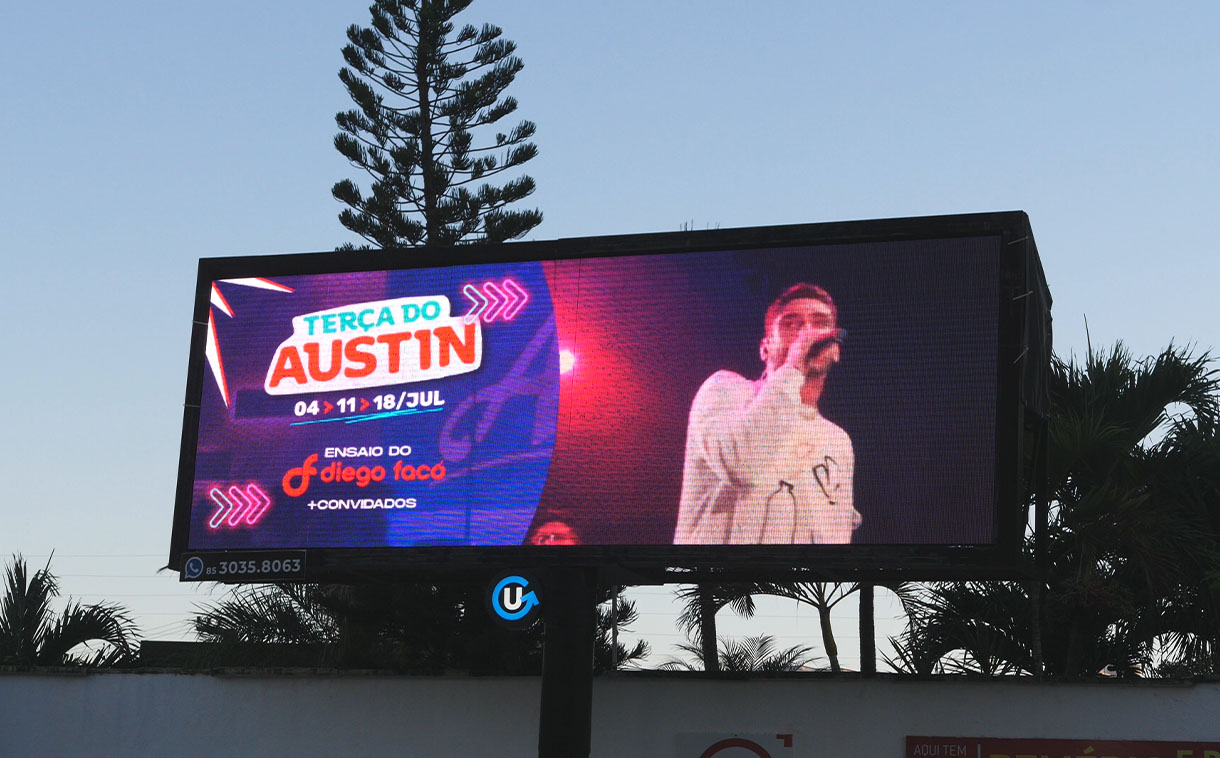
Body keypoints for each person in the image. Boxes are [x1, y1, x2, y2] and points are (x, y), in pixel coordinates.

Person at [673, 283, 860, 545]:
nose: (808, 333)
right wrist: (793, 368)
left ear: (836, 348)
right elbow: (744, 463)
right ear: (765, 347)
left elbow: (836, 535)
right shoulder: (725, 390)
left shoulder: (837, 440)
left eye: (820, 323)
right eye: (792, 324)